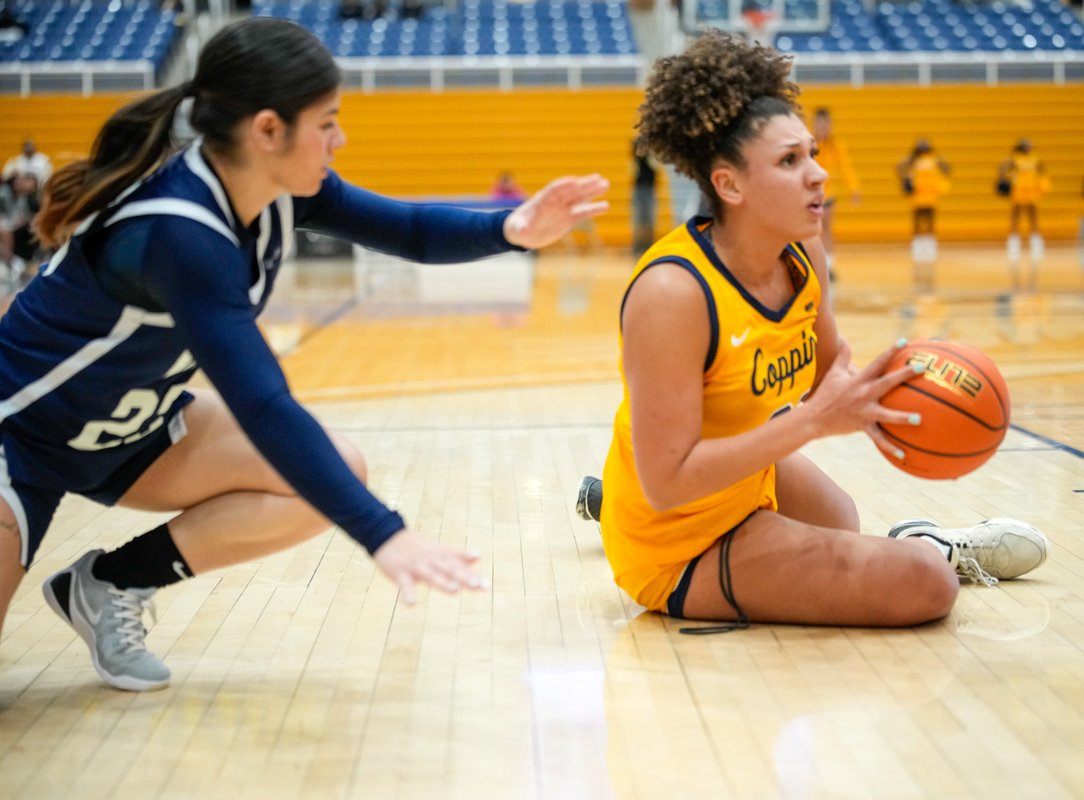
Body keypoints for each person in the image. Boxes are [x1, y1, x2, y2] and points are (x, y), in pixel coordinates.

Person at [0, 17, 608, 691]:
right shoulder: (178, 231)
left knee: (332, 471)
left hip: (127, 429)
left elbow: (406, 227)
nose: (339, 138)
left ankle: (108, 584)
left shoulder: (281, 191)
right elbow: (261, 402)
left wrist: (511, 227)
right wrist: (385, 534)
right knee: (318, 466)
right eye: (327, 121)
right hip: (17, 438)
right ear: (266, 130)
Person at [574, 31, 1046, 631]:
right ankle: (935, 551)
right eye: (790, 161)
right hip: (674, 539)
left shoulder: (802, 248)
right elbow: (667, 483)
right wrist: (813, 421)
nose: (819, 175)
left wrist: (898, 395)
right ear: (730, 185)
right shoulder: (672, 294)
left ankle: (911, 542)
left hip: (744, 476)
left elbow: (828, 369)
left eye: (813, 152)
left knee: (840, 519)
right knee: (927, 586)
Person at [810, 107, 860, 279]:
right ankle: (813, 265)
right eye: (819, 123)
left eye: (826, 124)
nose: (823, 127)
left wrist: (855, 189)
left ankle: (829, 266)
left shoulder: (836, 146)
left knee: (827, 229)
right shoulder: (810, 145)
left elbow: (846, 168)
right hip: (810, 195)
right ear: (814, 124)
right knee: (811, 231)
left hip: (828, 194)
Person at [896, 139, 950, 289]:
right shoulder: (913, 161)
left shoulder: (934, 159)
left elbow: (947, 168)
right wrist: (909, 158)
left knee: (931, 221)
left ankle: (930, 246)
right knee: (918, 221)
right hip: (918, 195)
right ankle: (918, 246)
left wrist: (939, 157)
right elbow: (899, 168)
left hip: (931, 195)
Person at [997, 139, 1049, 283]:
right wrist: (1005, 174)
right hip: (1019, 188)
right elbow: (1001, 169)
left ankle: (1035, 241)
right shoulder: (1014, 159)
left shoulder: (1035, 158)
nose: (1029, 147)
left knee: (1033, 214)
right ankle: (1014, 241)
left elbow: (1042, 171)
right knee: (1016, 214)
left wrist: (1042, 185)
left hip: (1031, 188)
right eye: (1026, 145)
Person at [0, 171, 41, 281]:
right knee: (6, 231)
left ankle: (28, 259)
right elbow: (3, 214)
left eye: (21, 183)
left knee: (31, 227)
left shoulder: (22, 196)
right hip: (5, 222)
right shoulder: (4, 193)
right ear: (12, 183)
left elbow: (24, 213)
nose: (20, 185)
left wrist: (26, 220)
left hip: (12, 222)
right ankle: (11, 261)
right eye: (17, 183)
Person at [631, 141, 659, 255]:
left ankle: (649, 244)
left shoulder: (654, 144)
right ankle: (638, 245)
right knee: (638, 217)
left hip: (650, 186)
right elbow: (633, 163)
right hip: (638, 186)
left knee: (650, 217)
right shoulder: (636, 143)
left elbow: (656, 165)